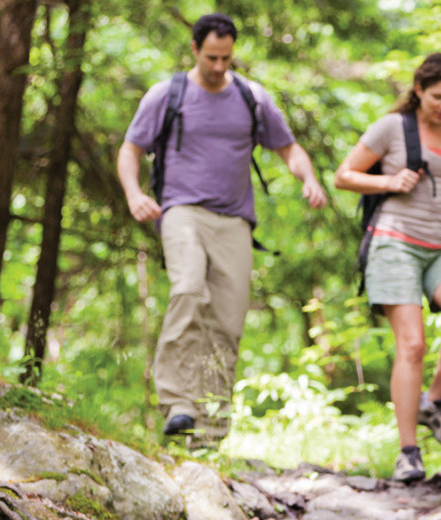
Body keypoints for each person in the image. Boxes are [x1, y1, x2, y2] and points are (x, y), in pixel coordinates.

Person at [117, 13, 327, 443]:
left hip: (235, 220)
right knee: (189, 288)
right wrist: (134, 194)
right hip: (181, 212)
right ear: (195, 49)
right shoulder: (167, 95)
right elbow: (131, 148)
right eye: (211, 57)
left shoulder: (252, 97)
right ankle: (177, 404)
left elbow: (288, 149)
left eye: (226, 58)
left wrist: (308, 177)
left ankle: (210, 432)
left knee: (227, 321)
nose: (218, 66)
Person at [333, 53, 441, 482]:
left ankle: (433, 401)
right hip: (394, 242)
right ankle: (408, 452)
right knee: (412, 345)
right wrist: (387, 181)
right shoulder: (390, 128)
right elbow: (343, 176)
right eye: (437, 96)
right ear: (418, 90)